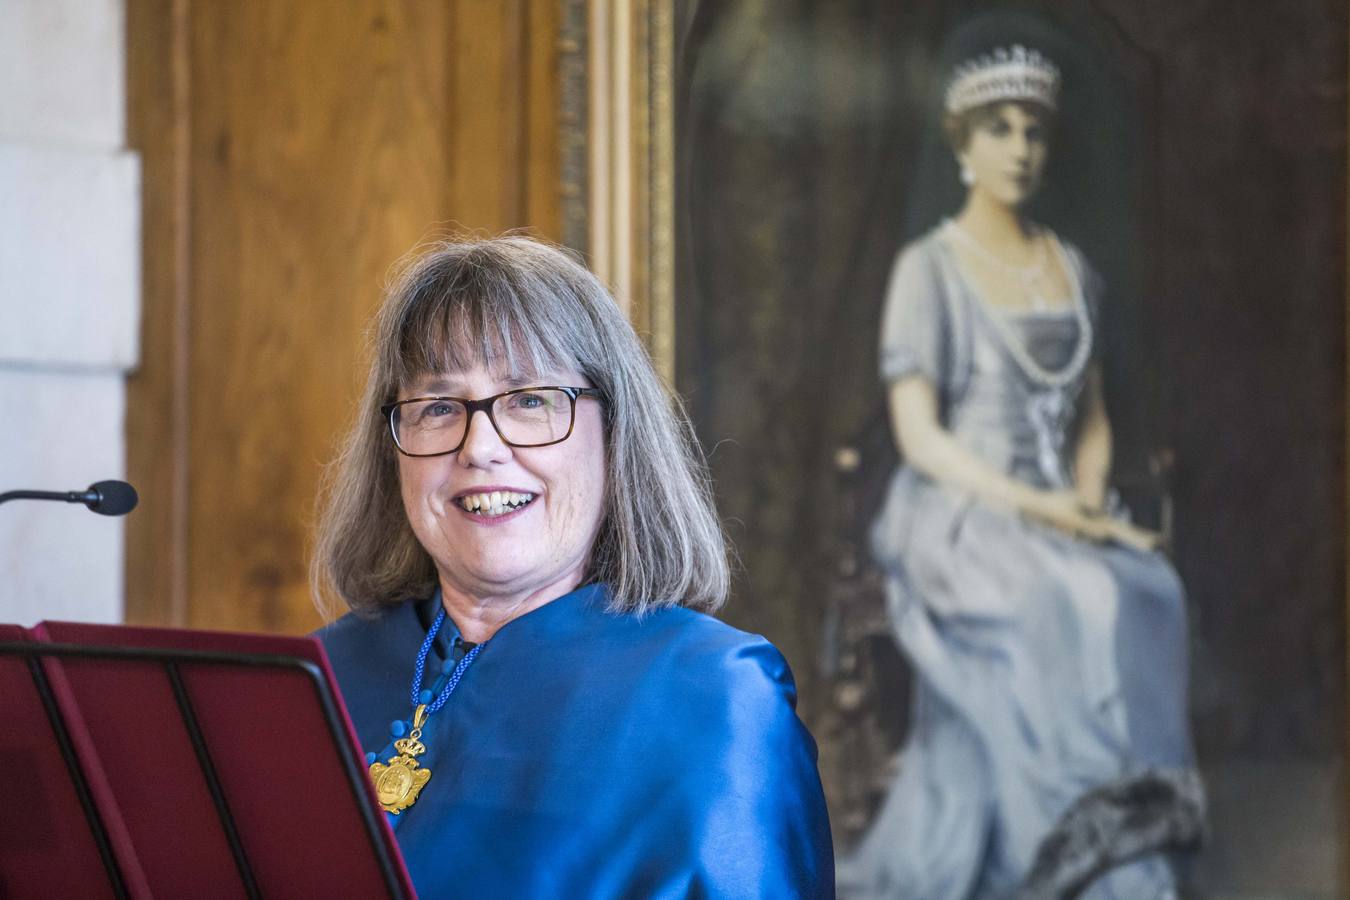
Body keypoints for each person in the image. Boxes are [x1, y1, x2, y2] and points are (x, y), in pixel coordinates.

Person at [311, 236, 834, 897]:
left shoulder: (714, 697)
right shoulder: (317, 678)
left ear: (616, 434)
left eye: (530, 399)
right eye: (439, 406)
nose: (481, 448)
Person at [837, 46, 1204, 899]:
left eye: (1034, 132)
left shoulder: (1073, 270)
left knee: (1151, 591)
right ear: (964, 146)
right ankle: (1048, 861)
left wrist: (1082, 500)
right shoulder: (926, 269)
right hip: (958, 506)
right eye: (999, 130)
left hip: (1055, 504)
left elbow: (1093, 418)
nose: (1020, 149)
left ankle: (1127, 846)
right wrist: (1037, 509)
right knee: (1051, 602)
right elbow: (921, 438)